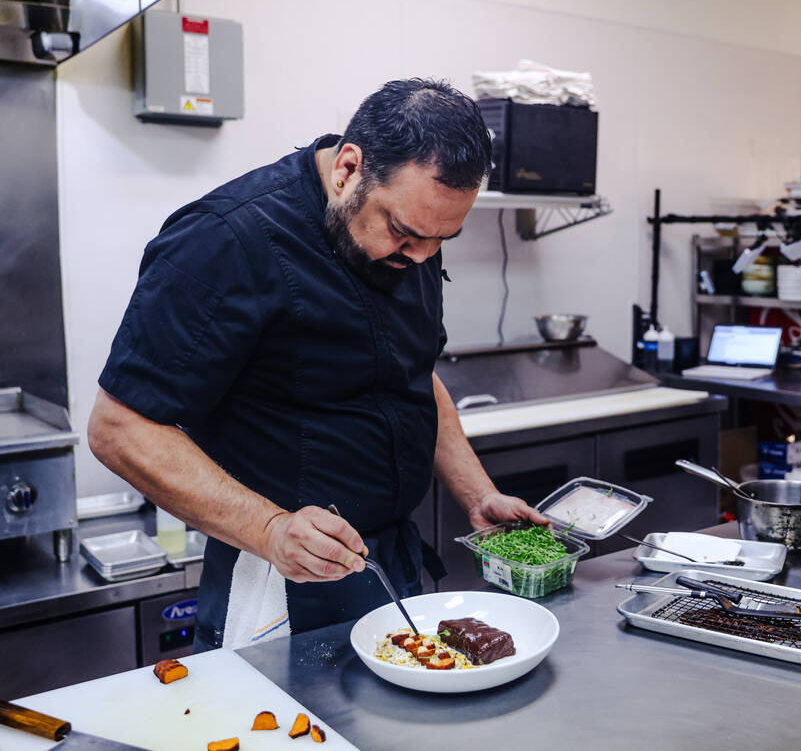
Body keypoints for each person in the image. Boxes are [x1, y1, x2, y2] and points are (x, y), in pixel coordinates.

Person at [88, 78, 547, 651]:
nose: (421, 256)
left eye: (441, 239)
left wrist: (478, 495)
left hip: (390, 566)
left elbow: (409, 373)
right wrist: (271, 529)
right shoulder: (224, 239)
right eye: (404, 234)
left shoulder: (414, 229)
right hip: (277, 580)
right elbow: (118, 428)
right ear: (348, 169)